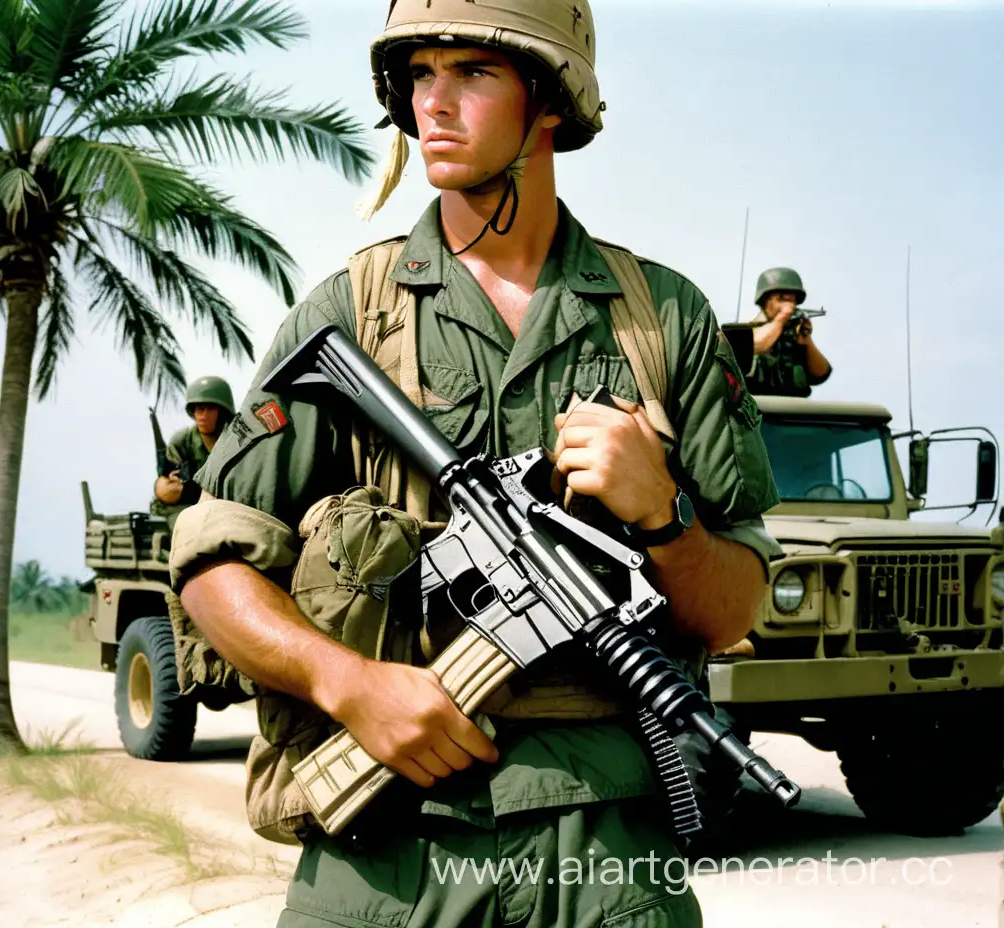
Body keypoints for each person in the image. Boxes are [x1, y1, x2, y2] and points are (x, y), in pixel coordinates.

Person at [170, 1, 784, 924]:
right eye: (419, 75)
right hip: (384, 837)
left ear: (549, 100)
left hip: (605, 849)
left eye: (473, 74)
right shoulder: (350, 311)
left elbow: (737, 604)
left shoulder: (662, 318)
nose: (435, 106)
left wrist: (663, 516)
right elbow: (211, 565)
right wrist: (351, 683)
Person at [150, 375, 234, 532]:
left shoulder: (234, 441)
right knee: (189, 531)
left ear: (221, 412)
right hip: (185, 508)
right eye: (199, 409)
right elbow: (168, 487)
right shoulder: (182, 441)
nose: (203, 415)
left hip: (224, 507)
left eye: (210, 409)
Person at [745, 267, 832, 397]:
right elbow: (755, 345)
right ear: (765, 301)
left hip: (793, 411)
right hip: (756, 409)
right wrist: (781, 318)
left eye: (792, 300)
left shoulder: (793, 338)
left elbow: (821, 373)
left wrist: (806, 339)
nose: (789, 305)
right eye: (781, 299)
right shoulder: (747, 332)